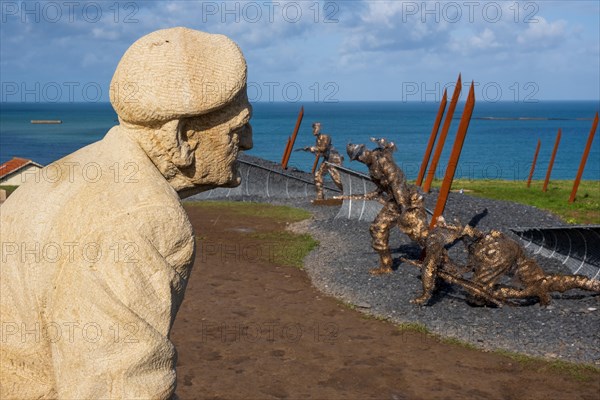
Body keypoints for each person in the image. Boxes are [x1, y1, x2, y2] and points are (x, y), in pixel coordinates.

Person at [0, 27, 252, 399]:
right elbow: (121, 388)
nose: (248, 142)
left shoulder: (56, 177)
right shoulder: (143, 218)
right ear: (181, 137)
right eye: (237, 129)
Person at [345, 138, 428, 275]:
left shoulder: (382, 159)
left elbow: (397, 181)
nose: (359, 160)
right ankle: (386, 265)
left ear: (364, 151)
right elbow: (383, 186)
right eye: (356, 159)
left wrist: (403, 207)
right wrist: (374, 194)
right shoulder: (371, 167)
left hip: (407, 200)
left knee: (419, 234)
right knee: (377, 228)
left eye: (359, 156)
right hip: (393, 202)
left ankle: (439, 260)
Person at [304, 122, 343, 200]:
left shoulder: (325, 137)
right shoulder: (317, 140)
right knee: (318, 175)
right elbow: (320, 153)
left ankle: (347, 193)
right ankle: (320, 197)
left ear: (319, 128)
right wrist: (310, 150)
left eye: (315, 128)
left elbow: (324, 148)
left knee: (336, 178)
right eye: (313, 128)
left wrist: (313, 148)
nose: (313, 131)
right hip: (327, 159)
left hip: (334, 159)